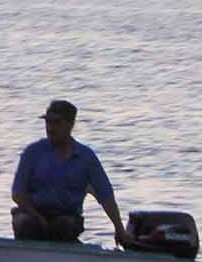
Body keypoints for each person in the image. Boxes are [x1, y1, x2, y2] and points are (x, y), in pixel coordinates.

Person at [10, 100, 130, 245]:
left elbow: (106, 196)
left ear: (70, 124)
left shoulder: (85, 157)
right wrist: (38, 217)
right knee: (24, 223)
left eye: (56, 123)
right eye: (48, 122)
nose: (50, 128)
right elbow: (17, 194)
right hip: (32, 211)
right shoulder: (33, 152)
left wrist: (119, 228)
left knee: (63, 226)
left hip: (66, 215)